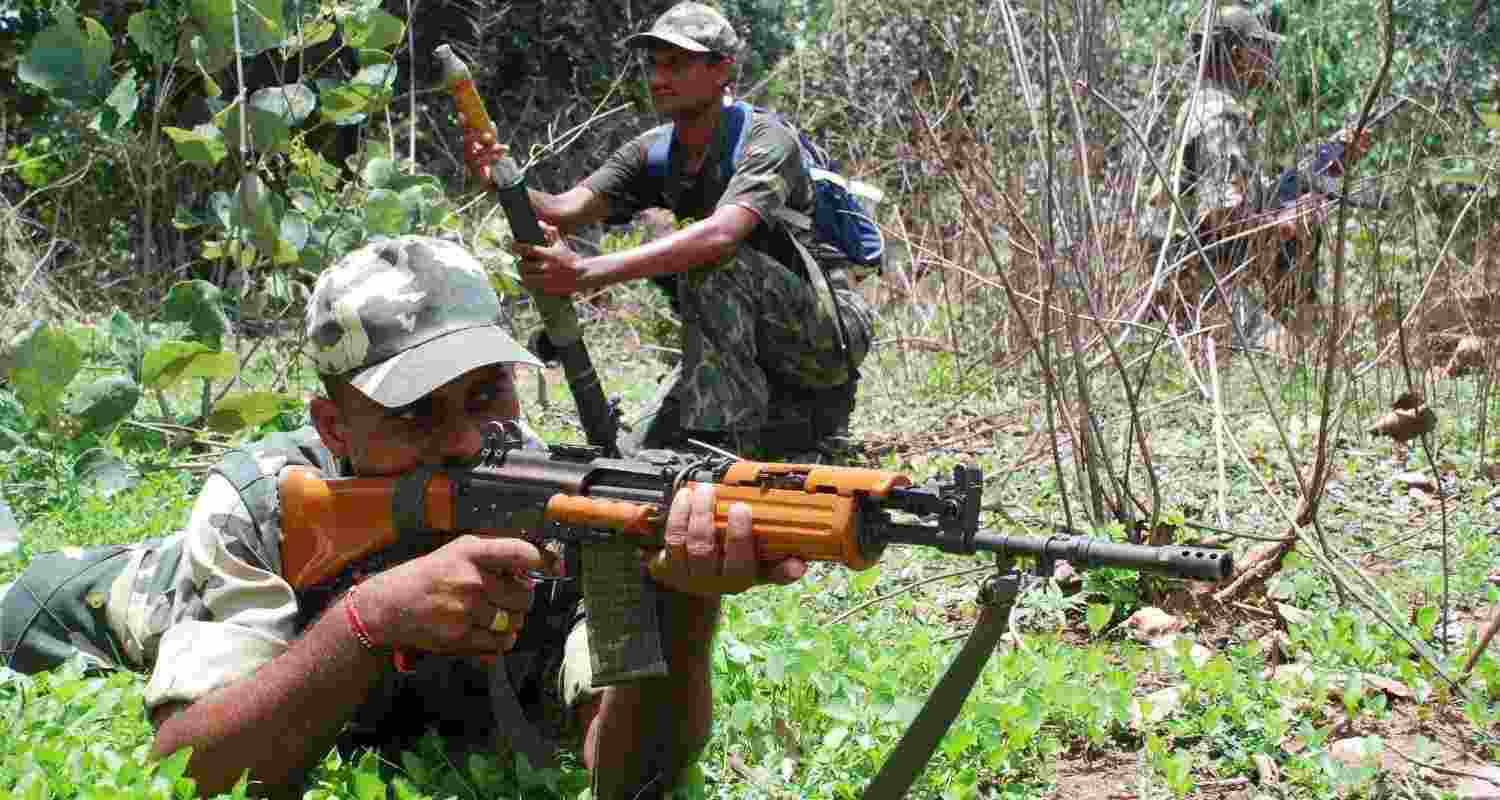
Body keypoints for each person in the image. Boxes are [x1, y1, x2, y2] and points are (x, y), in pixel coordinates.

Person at [0, 235, 807, 799]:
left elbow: (629, 778)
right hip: (91, 608)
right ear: (333, 427)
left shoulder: (571, 501)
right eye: (417, 412)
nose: (462, 439)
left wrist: (686, 604)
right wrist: (367, 622)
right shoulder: (265, 496)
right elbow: (187, 770)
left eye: (487, 391)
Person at [465, 1, 876, 461]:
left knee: (713, 262)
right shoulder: (655, 151)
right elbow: (564, 209)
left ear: (722, 70)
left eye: (677, 64)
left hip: (828, 336)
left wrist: (585, 272)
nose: (658, 78)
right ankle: (726, 433)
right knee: (633, 457)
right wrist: (500, 179)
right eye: (654, 64)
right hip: (742, 338)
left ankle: (723, 456)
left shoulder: (766, 140)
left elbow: (721, 235)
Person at [1142, 5, 1371, 343]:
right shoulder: (1220, 115)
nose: (1268, 57)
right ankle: (1296, 335)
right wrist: (1287, 221)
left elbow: (1249, 196)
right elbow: (1222, 216)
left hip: (1184, 266)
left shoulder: (1204, 104)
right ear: (1238, 56)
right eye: (1261, 48)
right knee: (1285, 352)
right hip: (1193, 276)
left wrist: (1328, 161)